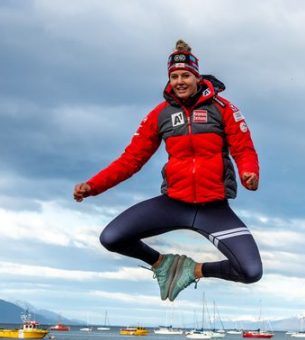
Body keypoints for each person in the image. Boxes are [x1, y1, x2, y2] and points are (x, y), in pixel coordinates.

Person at [73, 40, 262, 302]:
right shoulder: (159, 115)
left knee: (251, 271)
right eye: (174, 76)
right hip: (173, 203)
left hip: (214, 210)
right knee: (112, 237)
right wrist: (92, 187)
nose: (180, 81)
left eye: (185, 75)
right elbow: (131, 160)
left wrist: (249, 174)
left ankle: (191, 270)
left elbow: (244, 150)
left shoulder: (224, 109)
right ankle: (162, 263)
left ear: (197, 77)